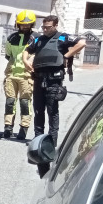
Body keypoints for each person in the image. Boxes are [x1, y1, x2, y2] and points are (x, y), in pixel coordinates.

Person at [22, 15, 86, 145]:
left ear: (55, 25)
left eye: (48, 27)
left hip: (54, 80)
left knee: (52, 111)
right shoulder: (39, 39)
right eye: (43, 27)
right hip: (39, 79)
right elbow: (27, 50)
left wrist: (66, 56)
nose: (45, 30)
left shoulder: (63, 37)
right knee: (38, 110)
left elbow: (82, 43)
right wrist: (25, 61)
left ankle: (52, 140)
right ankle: (38, 139)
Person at [2, 10, 36, 140]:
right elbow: (8, 55)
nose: (25, 27)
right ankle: (8, 127)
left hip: (27, 76)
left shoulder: (36, 38)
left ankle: (24, 128)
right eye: (22, 25)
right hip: (11, 75)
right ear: (18, 25)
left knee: (24, 102)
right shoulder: (12, 38)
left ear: (31, 25)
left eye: (27, 25)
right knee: (10, 101)